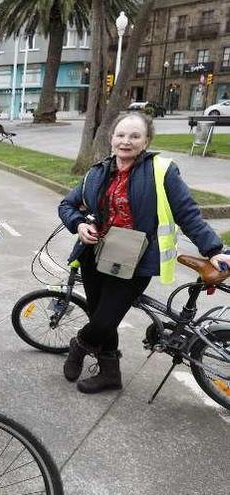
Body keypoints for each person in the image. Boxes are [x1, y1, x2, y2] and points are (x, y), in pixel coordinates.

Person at [59, 112, 230, 394]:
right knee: (104, 317)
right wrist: (78, 224)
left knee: (103, 319)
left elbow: (187, 213)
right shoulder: (97, 172)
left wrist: (213, 249)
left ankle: (79, 346)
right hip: (95, 254)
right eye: (121, 135)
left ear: (146, 141)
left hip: (136, 259)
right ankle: (109, 374)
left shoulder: (161, 170)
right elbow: (67, 205)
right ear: (111, 138)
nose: (126, 141)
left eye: (134, 136)